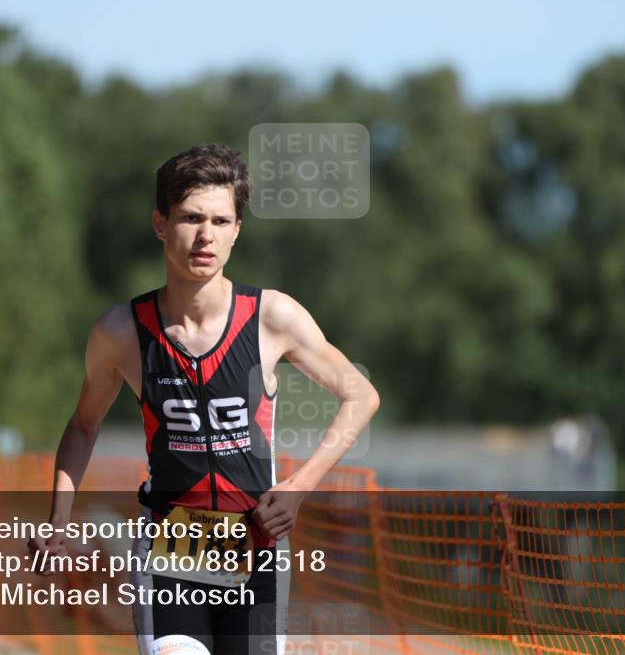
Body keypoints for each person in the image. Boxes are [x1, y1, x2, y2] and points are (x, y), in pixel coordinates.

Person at [29, 143, 380, 654]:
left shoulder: (272, 317)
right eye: (191, 218)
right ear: (159, 223)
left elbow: (361, 396)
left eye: (221, 220)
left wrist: (300, 487)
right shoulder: (120, 331)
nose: (205, 236)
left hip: (256, 547)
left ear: (238, 228)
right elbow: (83, 426)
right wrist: (58, 520)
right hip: (170, 548)